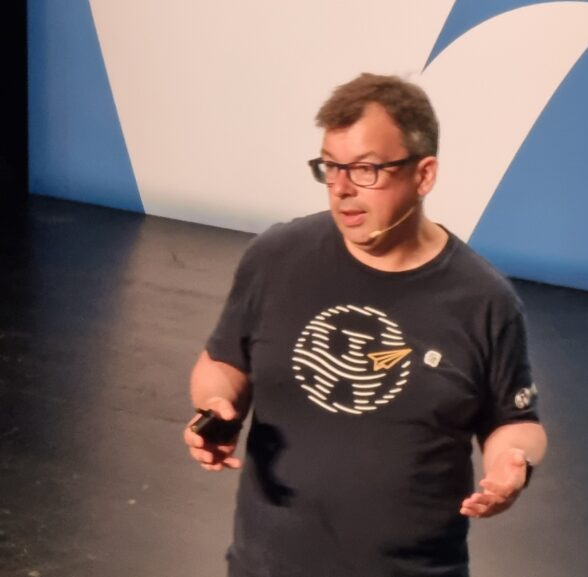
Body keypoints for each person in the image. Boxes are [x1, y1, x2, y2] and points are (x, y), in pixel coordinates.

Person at [182, 73, 548, 577]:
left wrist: (512, 463)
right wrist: (215, 404)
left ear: (424, 175)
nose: (342, 189)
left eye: (366, 169)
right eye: (331, 167)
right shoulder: (275, 258)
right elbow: (223, 361)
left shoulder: (484, 300)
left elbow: (515, 419)